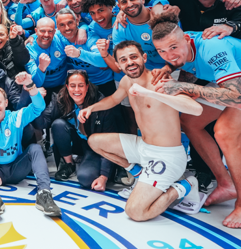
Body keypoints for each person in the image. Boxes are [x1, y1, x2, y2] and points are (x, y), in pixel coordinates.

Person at [137, 0, 241, 201]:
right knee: (192, 119)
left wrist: (232, 27)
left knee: (240, 129)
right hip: (202, 67)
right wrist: (158, 6)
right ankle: (208, 172)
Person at [151, 11, 241, 228]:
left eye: (173, 48)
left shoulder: (212, 48)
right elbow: (176, 59)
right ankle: (225, 183)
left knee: (225, 133)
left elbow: (238, 97)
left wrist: (184, 87)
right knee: (190, 122)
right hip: (229, 81)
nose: (169, 55)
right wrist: (167, 67)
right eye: (161, 51)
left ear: (186, 39)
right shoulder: (180, 44)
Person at [81, 41, 203, 222]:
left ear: (143, 57)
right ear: (119, 65)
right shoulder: (125, 81)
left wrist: (151, 93)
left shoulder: (160, 80)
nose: (129, 62)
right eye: (123, 60)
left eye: (133, 57)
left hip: (166, 155)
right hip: (143, 148)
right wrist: (91, 108)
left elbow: (196, 109)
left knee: (135, 212)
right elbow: (114, 99)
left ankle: (187, 184)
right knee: (94, 141)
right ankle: (138, 173)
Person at [0, 72, 62, 219]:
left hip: (16, 169)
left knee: (35, 148)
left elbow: (38, 107)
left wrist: (30, 85)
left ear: (6, 103)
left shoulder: (15, 117)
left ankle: (44, 195)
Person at [46, 69, 128, 186]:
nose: (77, 90)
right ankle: (69, 164)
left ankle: (116, 168)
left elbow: (108, 142)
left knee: (86, 178)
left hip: (95, 146)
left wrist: (104, 176)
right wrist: (35, 95)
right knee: (58, 124)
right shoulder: (60, 99)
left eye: (81, 85)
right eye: (73, 86)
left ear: (87, 87)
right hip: (77, 142)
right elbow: (41, 123)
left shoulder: (100, 102)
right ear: (67, 87)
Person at [104, 0, 168, 73]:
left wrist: (168, 69)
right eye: (124, 2)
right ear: (119, 6)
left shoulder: (162, 15)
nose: (129, 4)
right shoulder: (120, 27)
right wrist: (104, 53)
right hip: (146, 71)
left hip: (175, 67)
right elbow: (119, 60)